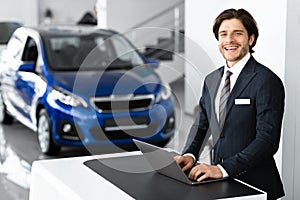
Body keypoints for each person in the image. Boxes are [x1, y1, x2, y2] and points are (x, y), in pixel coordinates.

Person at [175, 8, 285, 200]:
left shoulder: (266, 80)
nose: (229, 40)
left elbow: (267, 140)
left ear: (251, 39)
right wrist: (190, 155)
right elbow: (202, 125)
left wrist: (222, 169)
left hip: (255, 185)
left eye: (238, 33)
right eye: (223, 34)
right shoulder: (211, 79)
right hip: (220, 185)